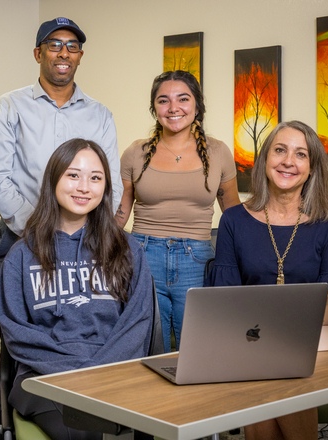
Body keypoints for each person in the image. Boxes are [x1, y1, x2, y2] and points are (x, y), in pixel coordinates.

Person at [0, 139, 154, 440]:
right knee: (81, 429)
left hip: (113, 373)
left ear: (105, 188)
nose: (84, 187)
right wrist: (75, 371)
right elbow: (16, 332)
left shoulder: (128, 248)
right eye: (73, 175)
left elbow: (138, 323)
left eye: (95, 178)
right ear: (53, 180)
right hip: (44, 377)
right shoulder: (21, 254)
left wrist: (97, 371)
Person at [209, 120, 328, 440]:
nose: (288, 161)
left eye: (300, 154)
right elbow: (224, 300)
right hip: (247, 341)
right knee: (266, 365)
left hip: (313, 344)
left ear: (312, 168)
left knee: (283, 366)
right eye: (280, 150)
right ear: (264, 160)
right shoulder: (233, 220)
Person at [0, 17, 123, 270]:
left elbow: (111, 181)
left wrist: (88, 231)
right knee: (19, 310)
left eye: (72, 47)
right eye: (55, 44)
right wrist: (39, 228)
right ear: (38, 53)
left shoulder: (100, 114)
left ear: (80, 56)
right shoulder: (9, 106)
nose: (64, 53)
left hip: (85, 243)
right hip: (22, 238)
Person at [118, 70, 240, 352]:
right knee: (148, 344)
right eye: (163, 101)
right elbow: (120, 214)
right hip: (142, 257)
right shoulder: (135, 153)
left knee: (196, 347)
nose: (173, 108)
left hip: (196, 261)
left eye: (183, 99)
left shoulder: (219, 152)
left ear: (197, 105)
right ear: (154, 108)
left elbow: (233, 216)